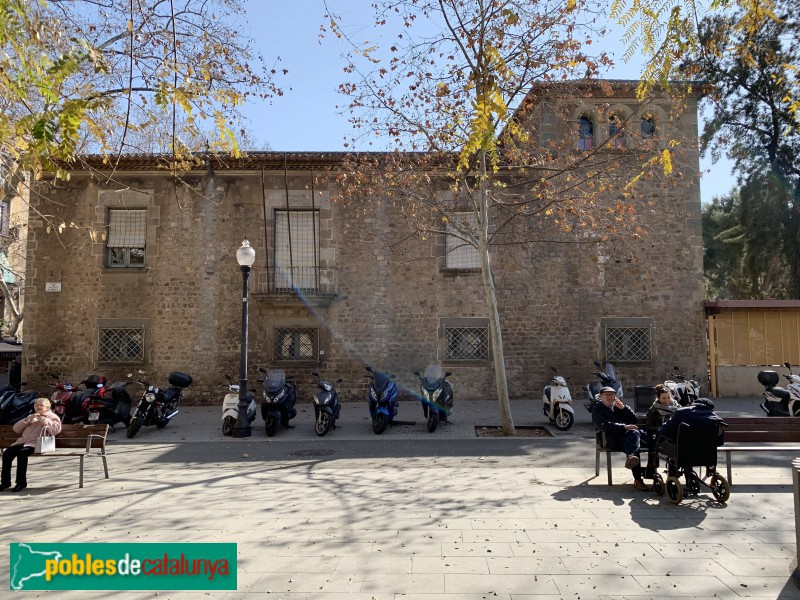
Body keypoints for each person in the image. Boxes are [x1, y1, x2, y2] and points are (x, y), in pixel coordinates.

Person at [592, 386, 651, 491]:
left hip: (628, 438)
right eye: (607, 395)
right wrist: (624, 427)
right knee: (633, 439)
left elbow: (634, 419)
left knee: (652, 441)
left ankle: (643, 466)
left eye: (612, 395)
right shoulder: (598, 408)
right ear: (601, 396)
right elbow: (604, 425)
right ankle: (638, 480)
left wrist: (624, 409)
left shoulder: (618, 406)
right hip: (611, 440)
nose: (610, 397)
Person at [1, 398, 62, 492]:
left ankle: (21, 482)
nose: (38, 407)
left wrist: (43, 420)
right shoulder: (32, 416)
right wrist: (27, 420)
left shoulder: (52, 417)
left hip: (37, 444)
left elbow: (55, 431)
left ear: (47, 407)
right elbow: (16, 429)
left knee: (22, 454)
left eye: (41, 405)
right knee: (7, 453)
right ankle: (5, 482)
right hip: (22, 442)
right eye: (36, 405)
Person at [657, 398, 725, 445]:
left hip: (683, 453)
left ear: (694, 404)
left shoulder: (682, 412)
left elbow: (665, 431)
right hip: (707, 455)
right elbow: (720, 442)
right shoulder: (715, 418)